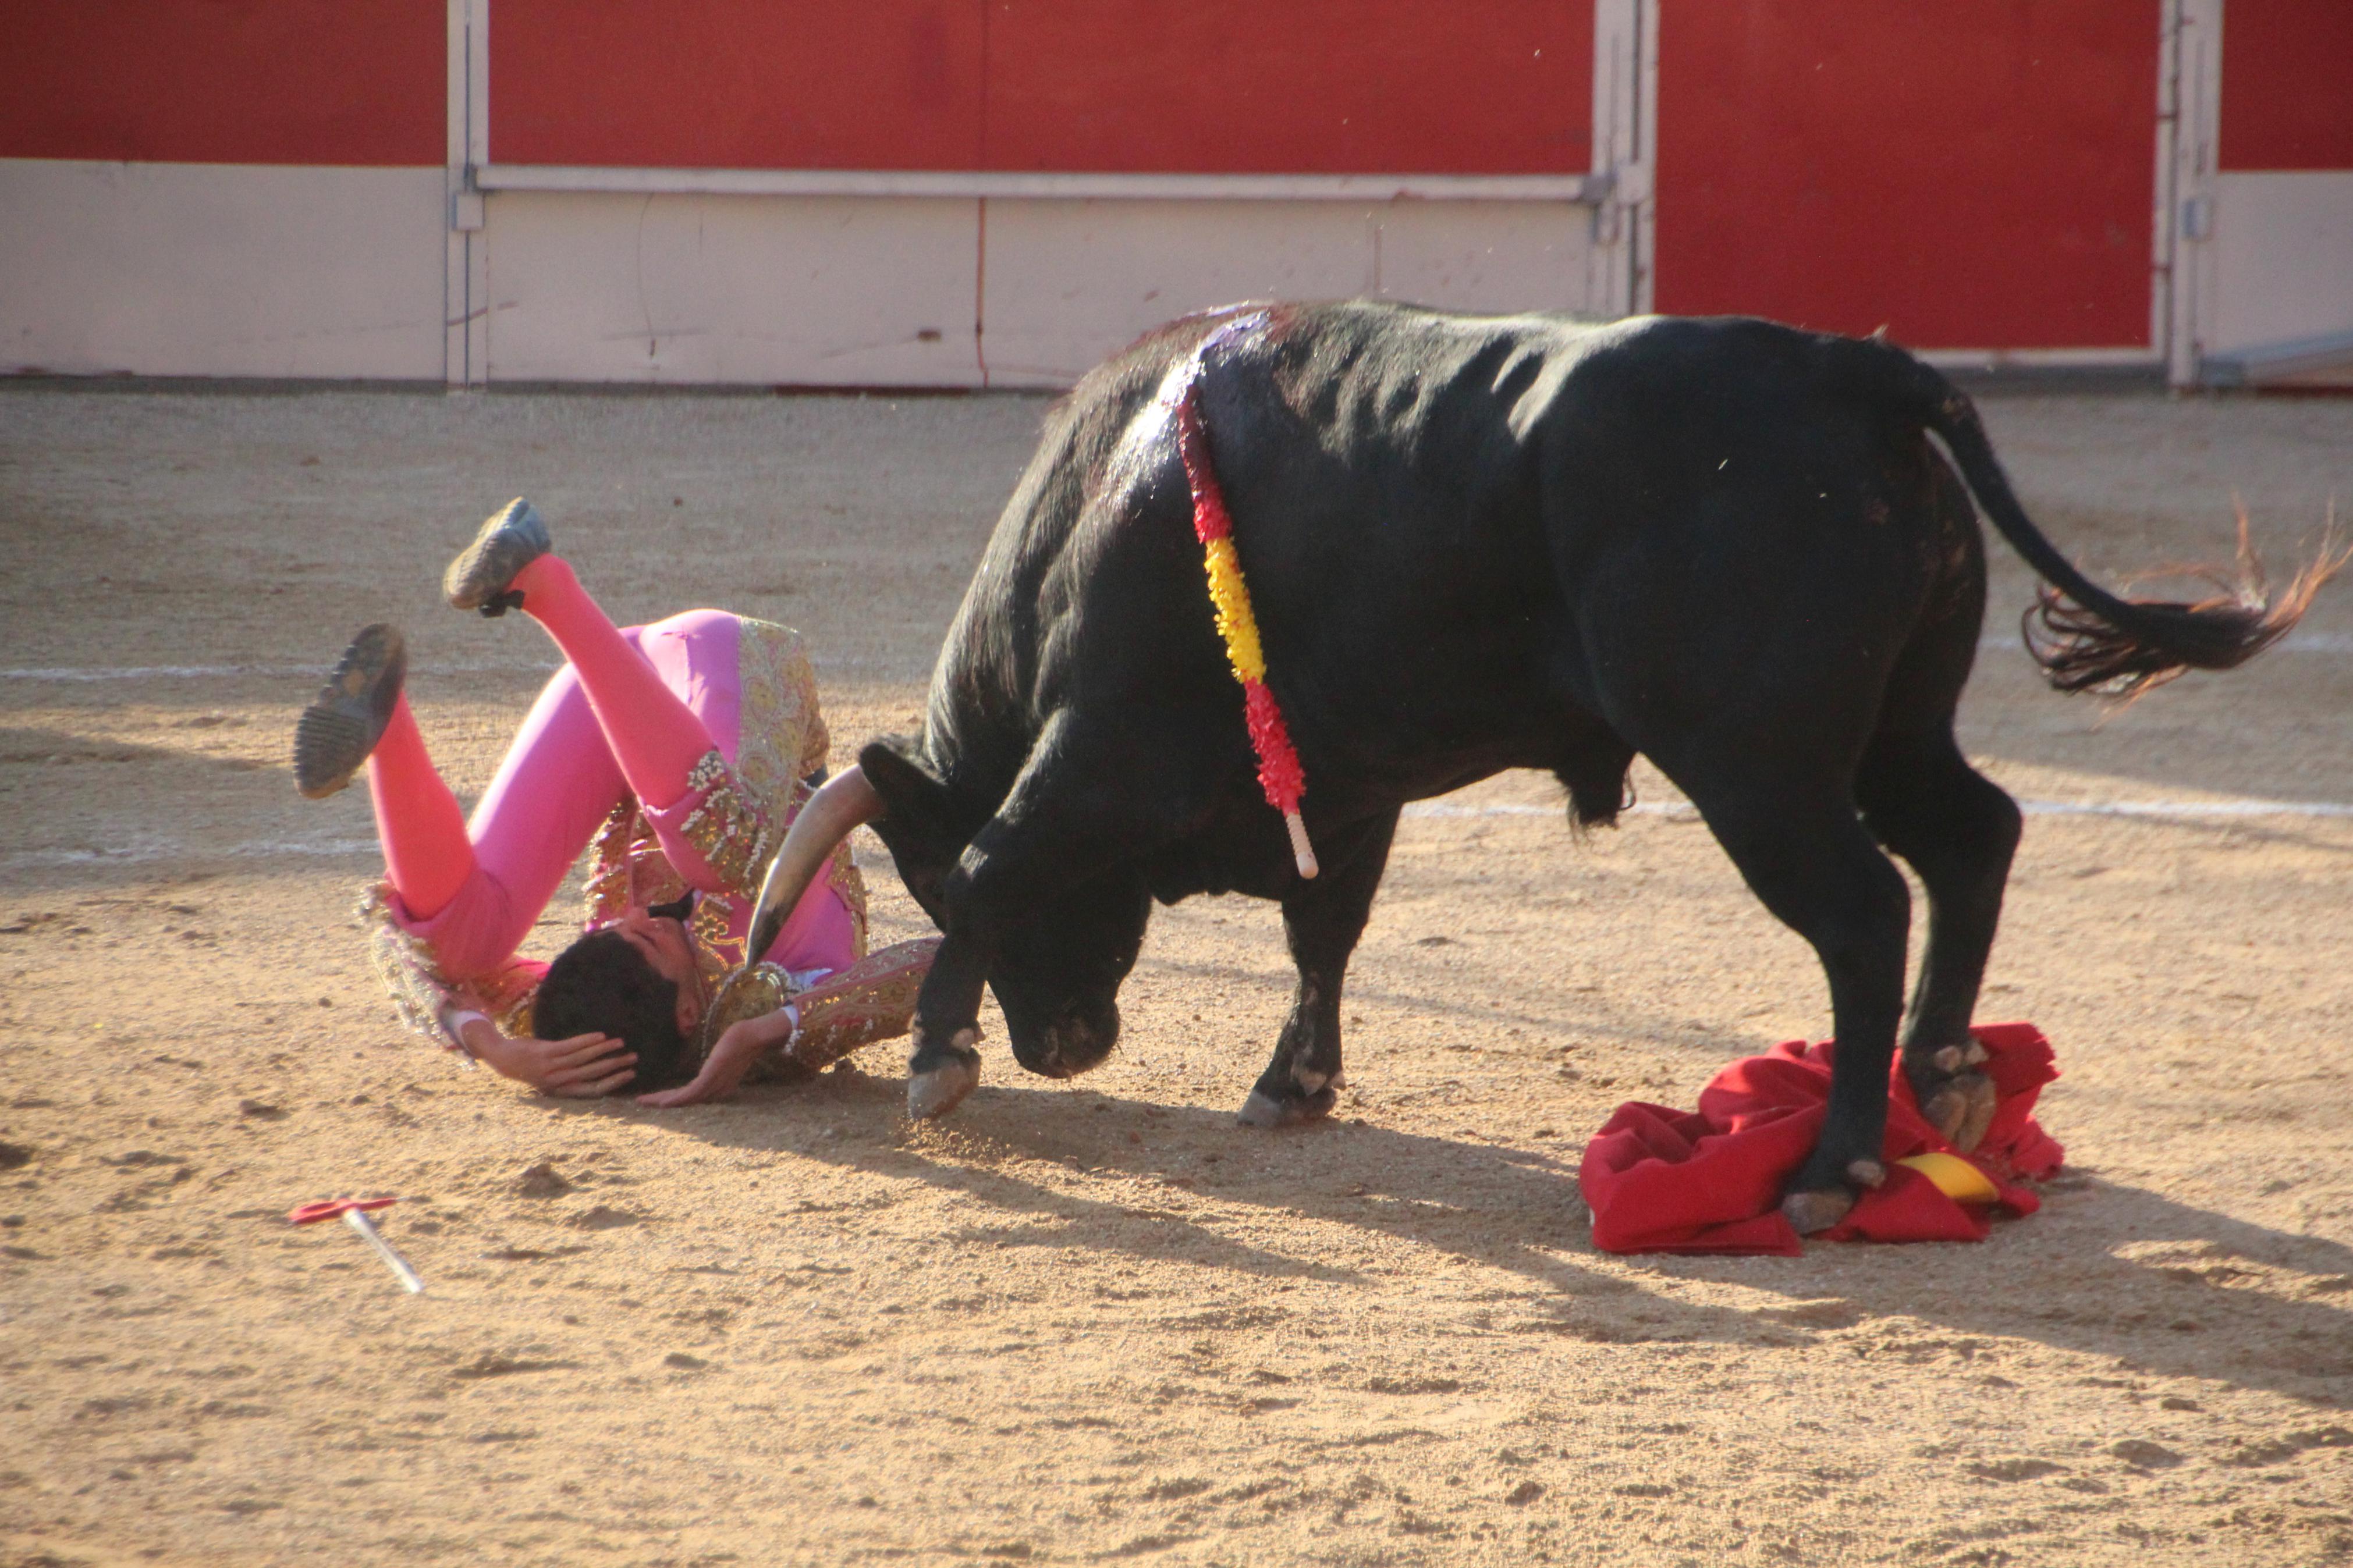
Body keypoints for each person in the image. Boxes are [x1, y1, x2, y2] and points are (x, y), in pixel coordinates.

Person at [292, 498, 934, 1107]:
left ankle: (395, 725)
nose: (634, 916)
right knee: (732, 855)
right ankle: (535, 590)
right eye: (648, 938)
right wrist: (753, 1033)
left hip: (612, 691)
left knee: (455, 949)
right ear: (689, 1014)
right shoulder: (782, 1005)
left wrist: (494, 1047)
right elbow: (931, 963)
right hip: (725, 667)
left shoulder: (588, 1000)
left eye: (613, 930)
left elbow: (403, 947)